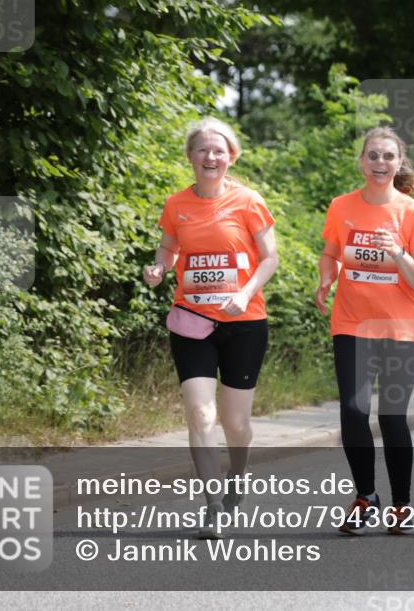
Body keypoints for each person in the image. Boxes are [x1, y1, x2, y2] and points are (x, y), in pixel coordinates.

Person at [143, 117, 279, 537]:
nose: (210, 156)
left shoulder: (249, 201)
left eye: (218, 150)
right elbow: (168, 246)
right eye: (202, 149)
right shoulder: (176, 204)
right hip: (191, 321)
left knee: (235, 423)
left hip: (244, 322)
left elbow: (270, 258)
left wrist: (245, 292)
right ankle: (214, 504)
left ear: (230, 156)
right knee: (200, 413)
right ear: (190, 157)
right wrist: (160, 267)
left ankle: (238, 475)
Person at [315, 126, 414, 536]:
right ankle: (366, 497)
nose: (380, 163)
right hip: (352, 323)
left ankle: (401, 505)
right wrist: (325, 280)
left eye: (388, 156)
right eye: (373, 156)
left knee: (391, 416)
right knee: (352, 411)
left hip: (404, 329)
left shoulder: (413, 213)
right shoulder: (341, 206)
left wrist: (398, 253)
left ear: (398, 163)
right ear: (362, 161)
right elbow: (331, 252)